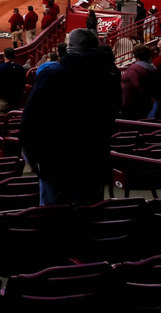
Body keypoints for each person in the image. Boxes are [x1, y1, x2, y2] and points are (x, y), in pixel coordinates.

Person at [20, 28, 120, 206]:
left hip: (55, 162)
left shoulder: (51, 76)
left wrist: (30, 157)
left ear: (70, 47)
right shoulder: (110, 77)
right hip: (94, 160)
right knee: (90, 214)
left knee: (55, 216)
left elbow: (29, 121)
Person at [119, 44, 156, 120]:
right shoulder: (152, 67)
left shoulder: (134, 68)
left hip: (131, 102)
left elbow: (135, 85)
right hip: (144, 103)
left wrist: (144, 95)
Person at [0, 47, 27, 112]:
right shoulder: (20, 68)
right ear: (14, 56)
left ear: (4, 55)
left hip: (1, 103)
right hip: (16, 102)